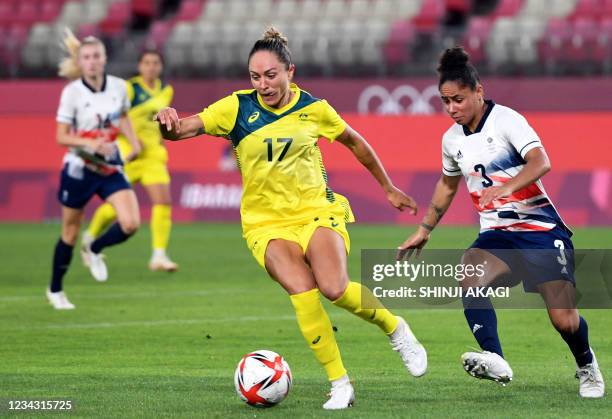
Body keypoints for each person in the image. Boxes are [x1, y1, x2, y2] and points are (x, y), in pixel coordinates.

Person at [155, 27, 428, 410]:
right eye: (255, 77)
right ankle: (340, 383)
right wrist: (167, 123)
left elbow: (356, 143)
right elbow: (183, 129)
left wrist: (387, 187)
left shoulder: (314, 109)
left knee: (334, 287)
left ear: (290, 72)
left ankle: (395, 327)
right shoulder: (235, 108)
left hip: (316, 210)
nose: (263, 84)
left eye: (270, 75)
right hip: (265, 223)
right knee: (303, 292)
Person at [398, 47, 605, 398]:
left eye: (458, 100)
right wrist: (425, 228)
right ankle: (494, 357)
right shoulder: (451, 140)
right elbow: (448, 184)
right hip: (498, 235)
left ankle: (587, 365)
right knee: (469, 273)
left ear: (479, 91)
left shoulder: (506, 120)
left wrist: (505, 188)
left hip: (540, 230)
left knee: (564, 320)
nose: (451, 109)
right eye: (445, 101)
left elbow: (541, 162)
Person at [47, 29, 142, 309]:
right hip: (80, 167)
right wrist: (91, 144)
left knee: (131, 223)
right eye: (86, 57)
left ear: (104, 58)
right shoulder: (72, 93)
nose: (91, 61)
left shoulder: (118, 87)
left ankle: (95, 248)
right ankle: (55, 290)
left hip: (109, 165)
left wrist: (133, 143)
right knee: (70, 233)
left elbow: (122, 115)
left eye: (96, 56)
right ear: (79, 61)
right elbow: (61, 136)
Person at [82, 50, 178, 272]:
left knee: (163, 202)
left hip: (153, 156)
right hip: (129, 154)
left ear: (160, 67)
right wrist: (132, 140)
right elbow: (111, 117)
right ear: (140, 66)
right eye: (147, 62)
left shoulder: (166, 91)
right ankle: (90, 237)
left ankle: (159, 255)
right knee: (117, 207)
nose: (151, 67)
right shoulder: (129, 89)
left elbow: (160, 123)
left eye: (156, 63)